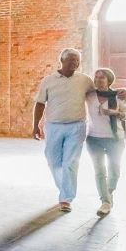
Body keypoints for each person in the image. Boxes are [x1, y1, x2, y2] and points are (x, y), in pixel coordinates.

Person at [31, 48, 92, 212]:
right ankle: (64, 187)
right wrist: (36, 124)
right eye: (72, 60)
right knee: (53, 161)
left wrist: (120, 95)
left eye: (77, 60)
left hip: (77, 126)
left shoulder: (85, 80)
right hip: (54, 126)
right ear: (62, 61)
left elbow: (98, 96)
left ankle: (66, 198)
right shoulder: (49, 81)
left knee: (70, 162)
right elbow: (40, 103)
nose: (75, 63)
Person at [86, 67, 126, 217]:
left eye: (102, 77)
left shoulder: (118, 96)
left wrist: (116, 113)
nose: (98, 80)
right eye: (96, 77)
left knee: (115, 171)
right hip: (93, 138)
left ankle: (109, 193)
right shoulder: (89, 95)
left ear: (109, 80)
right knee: (99, 171)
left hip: (115, 139)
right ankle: (105, 202)